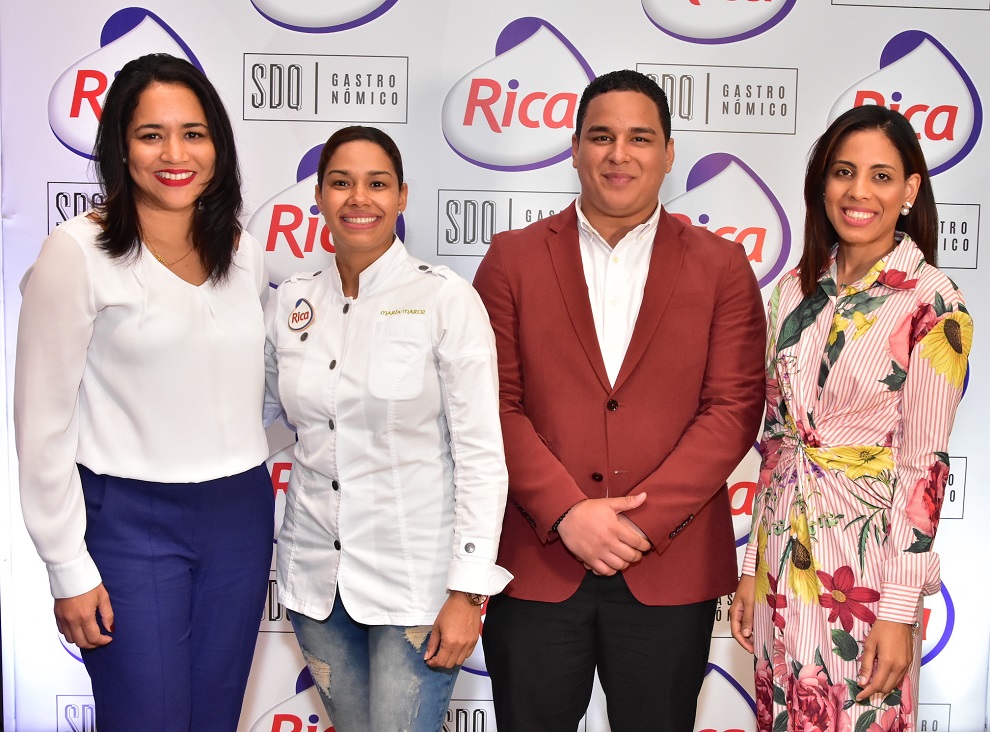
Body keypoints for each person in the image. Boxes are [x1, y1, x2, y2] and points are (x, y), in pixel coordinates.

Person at [472, 69, 766, 731]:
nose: (619, 154)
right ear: (575, 149)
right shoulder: (512, 259)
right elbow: (491, 405)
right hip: (538, 563)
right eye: (601, 137)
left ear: (668, 153)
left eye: (640, 138)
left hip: (669, 567)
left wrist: (639, 523)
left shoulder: (722, 266)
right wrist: (567, 512)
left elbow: (733, 409)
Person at [15, 54, 273, 731]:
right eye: (151, 134)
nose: (175, 154)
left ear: (218, 146)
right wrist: (66, 565)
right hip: (129, 522)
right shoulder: (77, 252)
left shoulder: (243, 252)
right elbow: (41, 425)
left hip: (240, 517)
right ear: (120, 148)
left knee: (214, 718)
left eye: (193, 133)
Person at [730, 105, 972, 731]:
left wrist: (898, 609)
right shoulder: (792, 291)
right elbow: (777, 441)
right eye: (843, 172)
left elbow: (923, 468)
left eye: (880, 176)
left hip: (863, 572)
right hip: (781, 555)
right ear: (822, 183)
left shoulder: (934, 303)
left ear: (910, 189)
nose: (858, 191)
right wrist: (752, 568)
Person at [263, 125, 511, 731]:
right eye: (341, 183)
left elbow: (481, 455)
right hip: (316, 581)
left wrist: (469, 591)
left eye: (377, 184)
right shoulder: (291, 303)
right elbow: (251, 416)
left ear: (402, 196)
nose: (359, 198)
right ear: (318, 196)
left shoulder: (444, 299)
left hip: (418, 588)